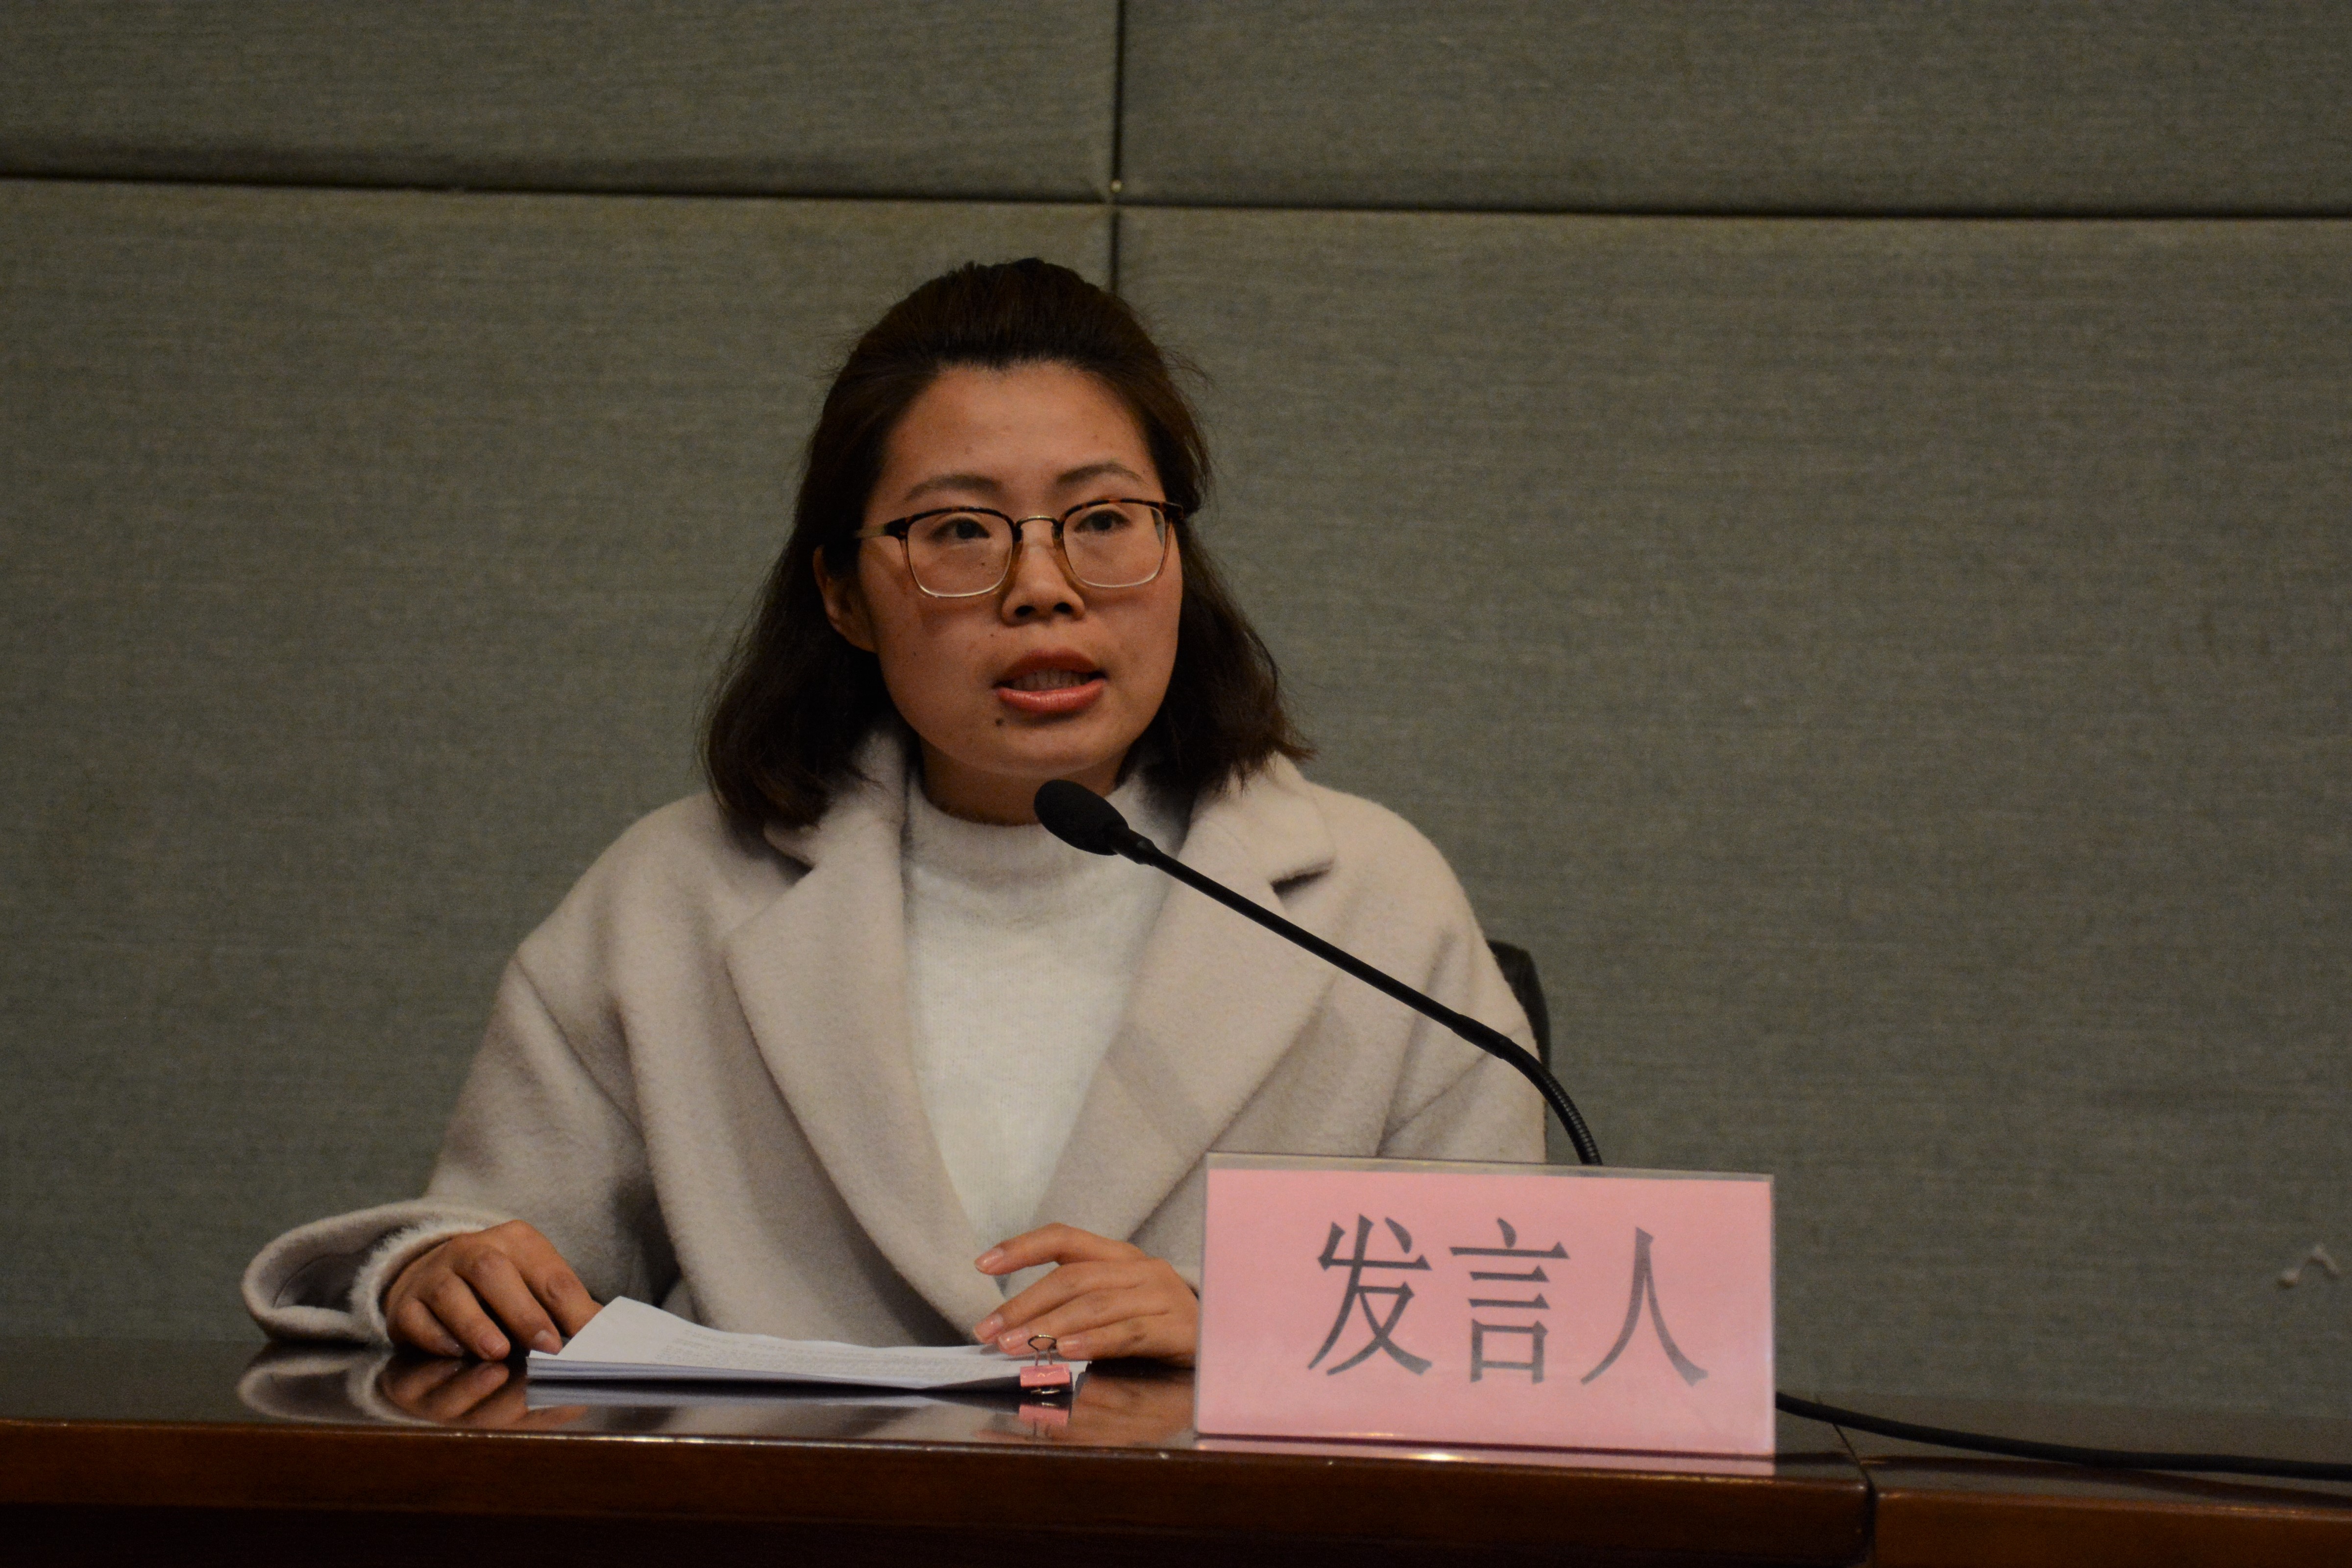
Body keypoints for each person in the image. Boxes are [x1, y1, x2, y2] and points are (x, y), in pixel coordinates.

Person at [243, 259, 1544, 1367]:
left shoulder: (1372, 900)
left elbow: (1517, 1321)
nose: (1043, 588)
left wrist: (1237, 1325)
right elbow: (504, 1253)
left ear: (1176, 556)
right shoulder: (674, 895)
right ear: (844, 596)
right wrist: (439, 1272)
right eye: (961, 532)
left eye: (1103, 519)